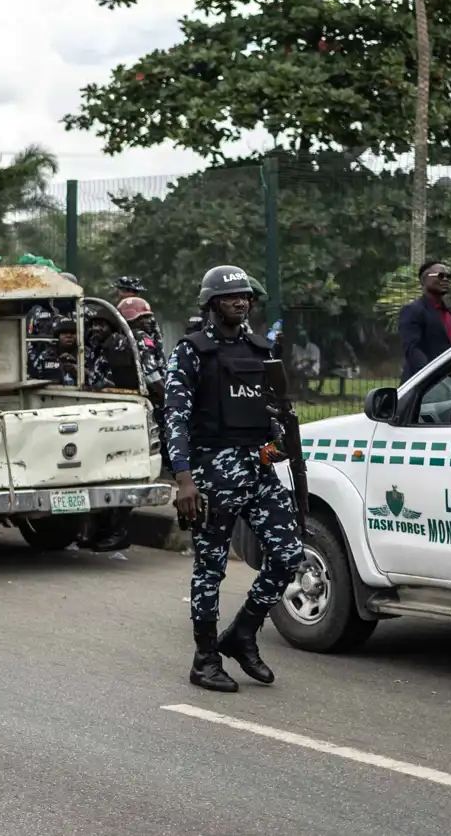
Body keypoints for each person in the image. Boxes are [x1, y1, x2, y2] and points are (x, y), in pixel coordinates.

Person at [164, 265, 304, 693]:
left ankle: (242, 633)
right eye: (229, 297)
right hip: (211, 474)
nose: (239, 302)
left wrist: (279, 441)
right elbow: (175, 417)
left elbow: (270, 408)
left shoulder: (261, 349)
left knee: (289, 554)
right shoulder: (192, 351)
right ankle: (205, 659)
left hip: (258, 469)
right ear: (211, 304)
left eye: (244, 296)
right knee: (211, 570)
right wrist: (184, 479)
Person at [398, 259, 451, 382]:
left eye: (449, 277)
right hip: (425, 383)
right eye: (440, 276)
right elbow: (413, 349)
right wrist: (431, 377)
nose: (446, 280)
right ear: (424, 280)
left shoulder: (449, 311)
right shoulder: (413, 310)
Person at [29, 318, 79, 385]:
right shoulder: (45, 357)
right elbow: (32, 379)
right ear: (57, 336)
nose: (69, 335)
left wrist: (79, 369)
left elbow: (92, 380)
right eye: (64, 332)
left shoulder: (85, 355)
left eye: (72, 333)